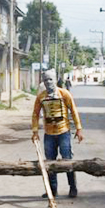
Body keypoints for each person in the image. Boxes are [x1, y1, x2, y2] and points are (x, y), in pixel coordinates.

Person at [31, 70, 84, 198]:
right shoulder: (41, 97)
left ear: (55, 80)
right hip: (48, 134)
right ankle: (52, 190)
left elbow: (74, 111)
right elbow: (35, 114)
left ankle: (73, 187)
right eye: (45, 80)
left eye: (50, 79)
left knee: (67, 161)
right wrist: (35, 131)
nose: (48, 82)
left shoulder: (64, 94)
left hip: (63, 132)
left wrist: (78, 129)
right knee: (50, 163)